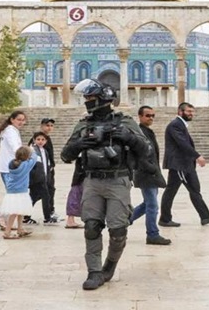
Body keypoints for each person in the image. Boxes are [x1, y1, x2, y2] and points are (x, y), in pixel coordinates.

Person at [60, 79, 153, 291]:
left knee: (118, 229)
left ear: (104, 99)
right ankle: (93, 271)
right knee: (91, 226)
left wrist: (129, 138)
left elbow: (146, 150)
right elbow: (65, 155)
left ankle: (109, 265)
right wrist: (78, 145)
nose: (88, 102)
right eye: (86, 99)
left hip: (117, 180)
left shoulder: (125, 122)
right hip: (92, 180)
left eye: (91, 98)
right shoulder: (84, 124)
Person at [158, 102, 209, 228]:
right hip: (180, 164)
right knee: (175, 191)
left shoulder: (181, 125)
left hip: (185, 164)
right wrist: (197, 156)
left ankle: (205, 216)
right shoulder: (175, 125)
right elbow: (182, 144)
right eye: (188, 111)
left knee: (193, 189)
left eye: (192, 112)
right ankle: (165, 219)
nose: (191, 114)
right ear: (180, 112)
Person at [129, 106, 171, 245]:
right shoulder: (139, 133)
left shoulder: (147, 132)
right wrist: (151, 168)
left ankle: (123, 222)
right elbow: (140, 155)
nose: (151, 118)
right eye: (148, 115)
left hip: (151, 173)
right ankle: (152, 234)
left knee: (147, 204)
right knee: (152, 205)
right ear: (140, 117)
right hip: (146, 174)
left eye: (153, 115)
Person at [1, 146, 36, 239]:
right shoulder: (26, 165)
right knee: (15, 212)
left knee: (20, 210)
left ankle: (20, 229)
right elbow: (35, 158)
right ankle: (7, 232)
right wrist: (33, 149)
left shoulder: (11, 163)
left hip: (11, 191)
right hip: (21, 191)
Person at [29, 118, 59, 219]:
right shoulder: (35, 143)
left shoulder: (47, 139)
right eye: (47, 125)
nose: (49, 128)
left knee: (48, 192)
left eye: (51, 126)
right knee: (40, 194)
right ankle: (27, 214)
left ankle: (49, 213)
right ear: (42, 126)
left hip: (47, 171)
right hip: (39, 174)